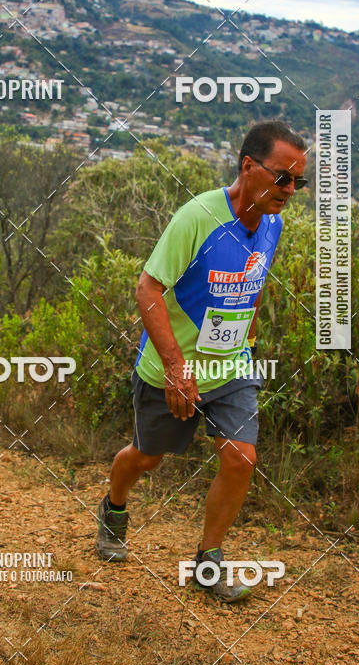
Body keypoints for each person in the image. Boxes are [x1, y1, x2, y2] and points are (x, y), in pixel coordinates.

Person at [96, 121, 308, 602]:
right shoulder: (197, 217)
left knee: (240, 458)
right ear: (248, 166)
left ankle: (207, 563)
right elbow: (148, 289)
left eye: (299, 181)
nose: (290, 191)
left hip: (231, 367)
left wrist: (248, 329)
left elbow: (254, 281)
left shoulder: (272, 221)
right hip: (171, 369)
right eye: (282, 178)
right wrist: (175, 367)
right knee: (147, 457)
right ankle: (114, 506)